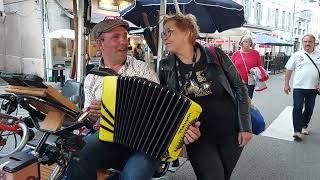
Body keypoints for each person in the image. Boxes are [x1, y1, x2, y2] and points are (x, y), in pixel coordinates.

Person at [65, 17, 201, 180]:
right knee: (77, 153)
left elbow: (162, 110)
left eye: (125, 36)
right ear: (100, 43)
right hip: (108, 139)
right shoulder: (92, 77)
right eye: (116, 37)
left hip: (146, 145)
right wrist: (94, 115)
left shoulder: (143, 70)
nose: (124, 42)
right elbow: (89, 120)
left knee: (133, 177)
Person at [159, 13, 252, 180]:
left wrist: (245, 126)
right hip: (198, 137)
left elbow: (240, 87)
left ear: (187, 32)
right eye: (163, 33)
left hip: (230, 132)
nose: (164, 37)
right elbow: (167, 107)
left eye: (169, 32)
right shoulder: (165, 66)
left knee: (223, 176)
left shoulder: (216, 54)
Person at [284, 34, 320, 141]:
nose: (307, 44)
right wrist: (286, 84)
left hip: (313, 88)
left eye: (310, 42)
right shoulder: (296, 55)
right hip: (299, 87)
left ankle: (304, 125)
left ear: (314, 43)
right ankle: (297, 131)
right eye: (305, 41)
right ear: (302, 42)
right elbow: (289, 70)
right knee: (297, 108)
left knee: (309, 109)